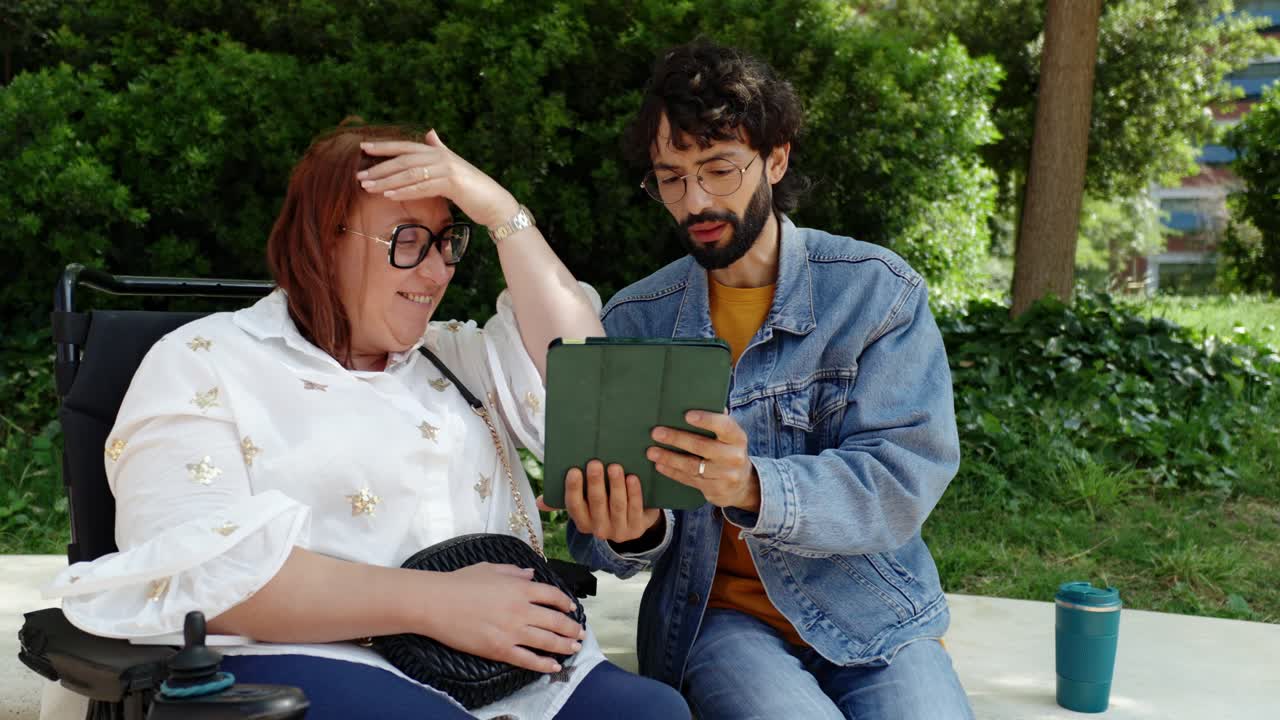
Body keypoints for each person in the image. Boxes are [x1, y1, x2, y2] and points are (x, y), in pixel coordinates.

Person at [43, 122, 689, 720]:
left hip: (513, 673)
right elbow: (202, 575)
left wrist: (501, 213)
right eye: (408, 241)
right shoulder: (203, 365)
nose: (437, 271)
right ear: (325, 241)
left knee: (657, 714)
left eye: (446, 242)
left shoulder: (459, 355)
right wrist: (434, 605)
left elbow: (597, 386)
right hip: (320, 659)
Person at [555, 43, 974, 719]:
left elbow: (902, 482)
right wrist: (629, 532)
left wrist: (752, 486)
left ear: (776, 158)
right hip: (716, 625)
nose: (695, 202)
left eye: (719, 169)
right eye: (670, 178)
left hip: (876, 614)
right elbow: (604, 542)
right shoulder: (634, 320)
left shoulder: (875, 292)